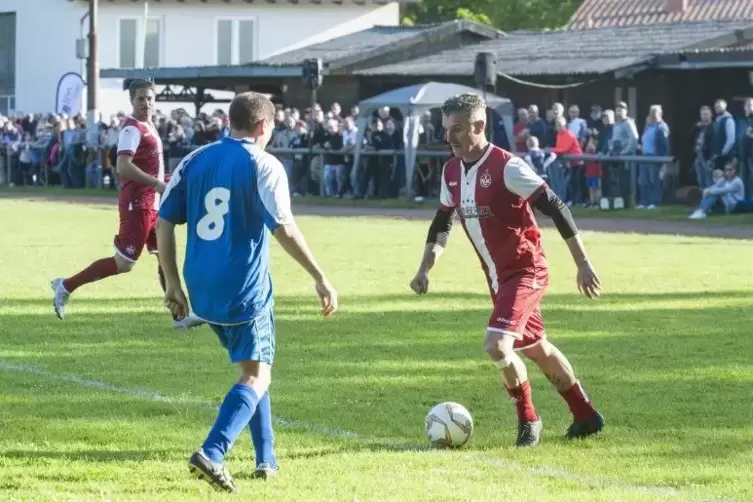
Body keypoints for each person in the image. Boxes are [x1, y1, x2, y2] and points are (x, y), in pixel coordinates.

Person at [156, 91, 339, 492]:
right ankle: (213, 452)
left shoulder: (194, 159)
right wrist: (320, 276)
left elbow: (164, 222)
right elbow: (284, 228)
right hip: (242, 286)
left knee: (253, 366)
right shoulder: (264, 163)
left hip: (199, 287)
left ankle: (265, 458)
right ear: (263, 126)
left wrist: (171, 281)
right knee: (258, 374)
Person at [409, 93, 604, 448]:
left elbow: (556, 207)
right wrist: (425, 267)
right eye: (446, 129)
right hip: (499, 277)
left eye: (456, 129)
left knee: (497, 345)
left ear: (479, 126)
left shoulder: (507, 167)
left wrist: (583, 262)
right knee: (536, 348)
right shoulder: (451, 170)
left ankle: (529, 420)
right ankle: (585, 414)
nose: (448, 137)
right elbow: (442, 221)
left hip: (526, 271)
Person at [50, 79, 201, 329]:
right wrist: (157, 184)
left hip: (152, 204)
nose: (146, 103)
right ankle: (65, 286)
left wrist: (168, 180)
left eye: (150, 98)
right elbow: (123, 166)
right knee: (124, 264)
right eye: (141, 98)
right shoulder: (132, 129)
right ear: (132, 101)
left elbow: (148, 164)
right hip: (137, 204)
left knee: (165, 256)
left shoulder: (149, 125)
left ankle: (181, 317)